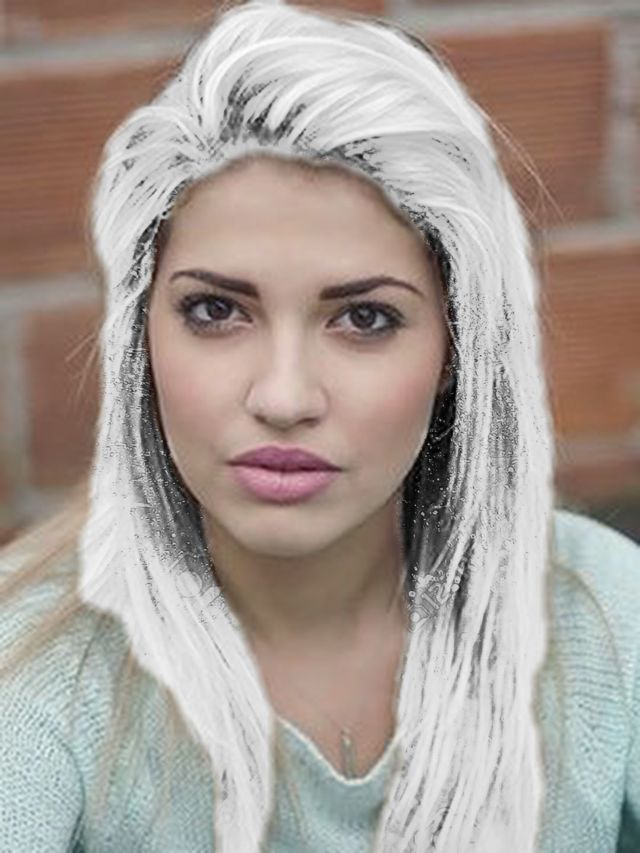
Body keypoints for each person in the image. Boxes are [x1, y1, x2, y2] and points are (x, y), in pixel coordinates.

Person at [0, 0, 638, 850]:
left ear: (457, 347)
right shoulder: (29, 674)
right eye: (216, 309)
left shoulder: (603, 611)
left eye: (365, 318)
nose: (284, 395)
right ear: (137, 335)